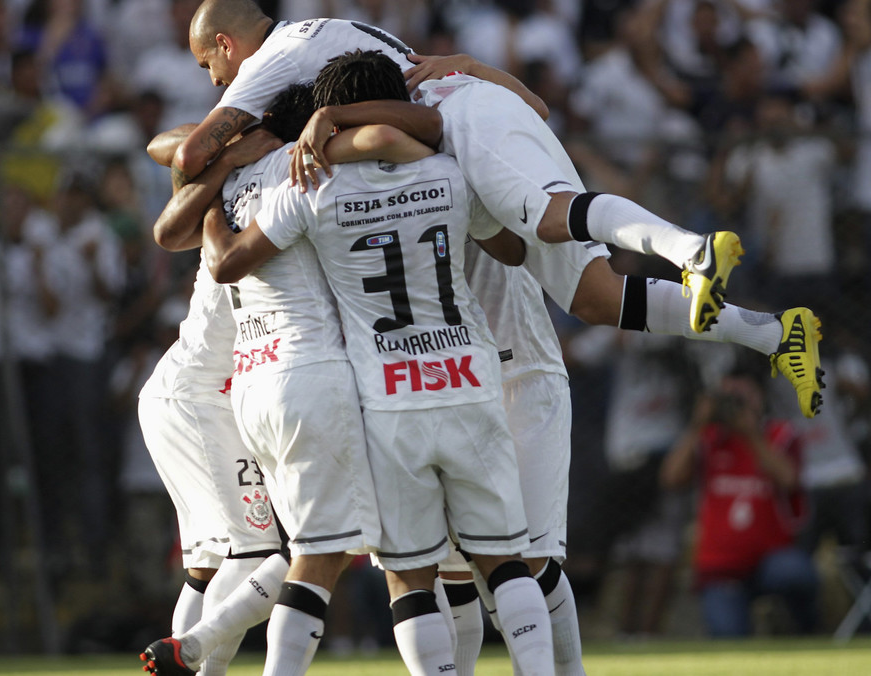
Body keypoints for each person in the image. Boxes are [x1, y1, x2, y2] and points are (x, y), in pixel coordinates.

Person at [202, 52, 557, 676]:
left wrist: (212, 201)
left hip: (387, 399)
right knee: (504, 560)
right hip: (469, 379)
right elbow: (509, 246)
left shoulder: (306, 191)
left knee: (412, 578)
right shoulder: (449, 173)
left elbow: (229, 263)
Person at [174, 0, 747, 341]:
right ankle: (771, 334)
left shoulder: (272, 58)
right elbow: (538, 111)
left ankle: (692, 251)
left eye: (208, 65)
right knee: (595, 299)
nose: (215, 82)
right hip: (484, 107)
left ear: (225, 43)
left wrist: (231, 154)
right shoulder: (321, 32)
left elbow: (192, 153)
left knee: (549, 220)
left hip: (468, 120)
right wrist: (473, 65)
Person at [136, 126, 288, 676]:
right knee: (266, 556)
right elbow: (168, 147)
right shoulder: (289, 182)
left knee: (207, 565)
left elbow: (169, 147)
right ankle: (191, 658)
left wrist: (230, 147)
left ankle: (189, 659)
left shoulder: (230, 184)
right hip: (202, 395)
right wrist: (239, 146)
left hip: (184, 388)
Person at [661, 366, 820, 637]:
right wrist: (697, 425)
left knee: (797, 574)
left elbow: (788, 479)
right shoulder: (708, 441)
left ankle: (806, 631)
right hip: (721, 568)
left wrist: (750, 434)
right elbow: (671, 478)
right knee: (727, 636)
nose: (733, 405)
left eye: (741, 397)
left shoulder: (779, 435)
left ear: (759, 397)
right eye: (727, 398)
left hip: (772, 561)